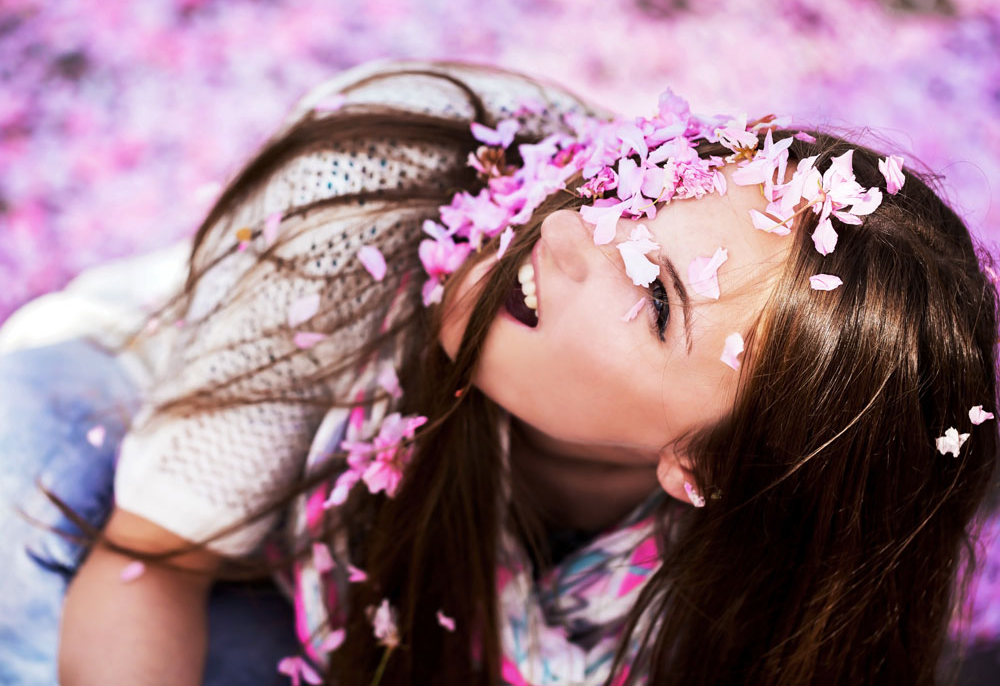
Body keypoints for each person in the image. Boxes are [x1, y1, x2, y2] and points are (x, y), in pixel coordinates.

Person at [0, 59, 997, 686]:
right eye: (647, 188)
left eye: (657, 300)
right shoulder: (382, 172)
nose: (561, 229)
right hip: (154, 442)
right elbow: (155, 561)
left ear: (707, 466)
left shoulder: (755, 586)